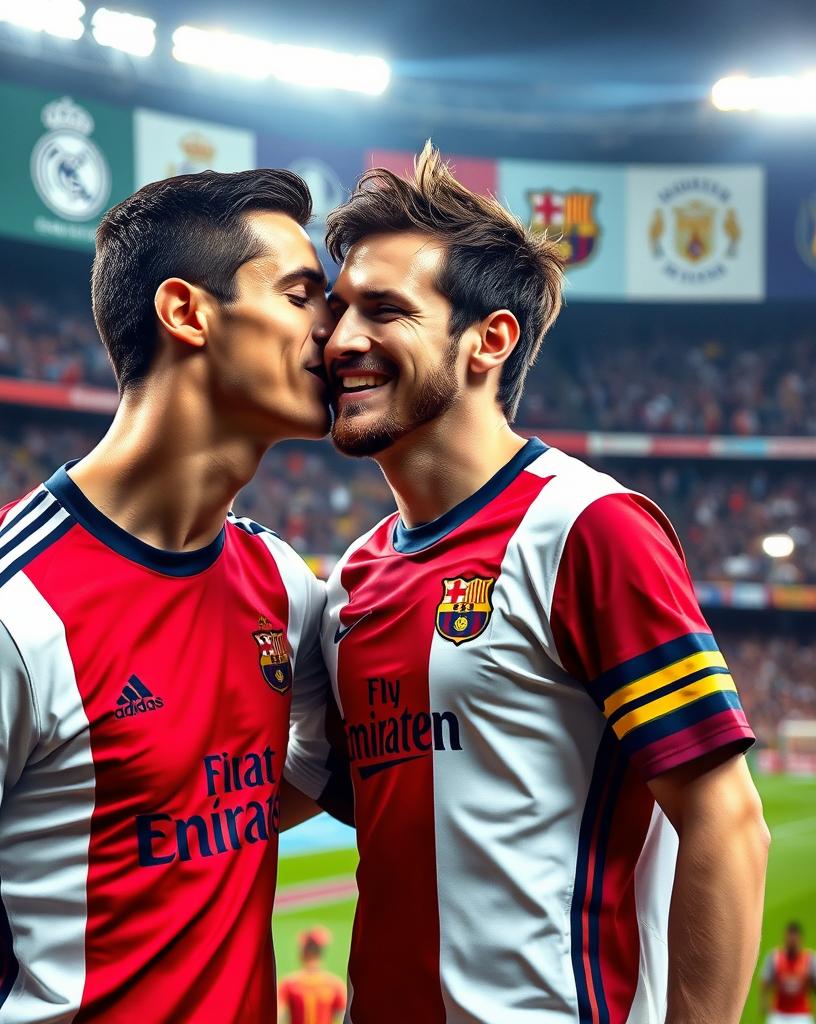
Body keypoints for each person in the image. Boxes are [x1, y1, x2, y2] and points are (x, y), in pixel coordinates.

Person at [0, 167, 337, 1023]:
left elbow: (313, 763)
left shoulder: (284, 588)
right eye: (299, 294)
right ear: (187, 313)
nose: (335, 326)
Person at [300, 144, 770, 1024]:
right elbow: (295, 793)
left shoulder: (587, 528)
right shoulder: (353, 578)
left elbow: (726, 823)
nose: (341, 340)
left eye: (385, 310)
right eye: (339, 310)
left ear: (489, 339)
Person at [278, 927, 347, 1024]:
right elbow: (344, 1017)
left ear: (302, 954)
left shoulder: (289, 983)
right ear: (321, 953)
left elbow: (279, 1016)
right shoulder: (335, 984)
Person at [762, 922, 816, 1024]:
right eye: (789, 940)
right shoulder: (775, 957)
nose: (792, 943)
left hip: (802, 1014)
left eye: (794, 940)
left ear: (800, 940)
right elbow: (765, 982)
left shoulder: (810, 959)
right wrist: (764, 1003)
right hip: (779, 1014)